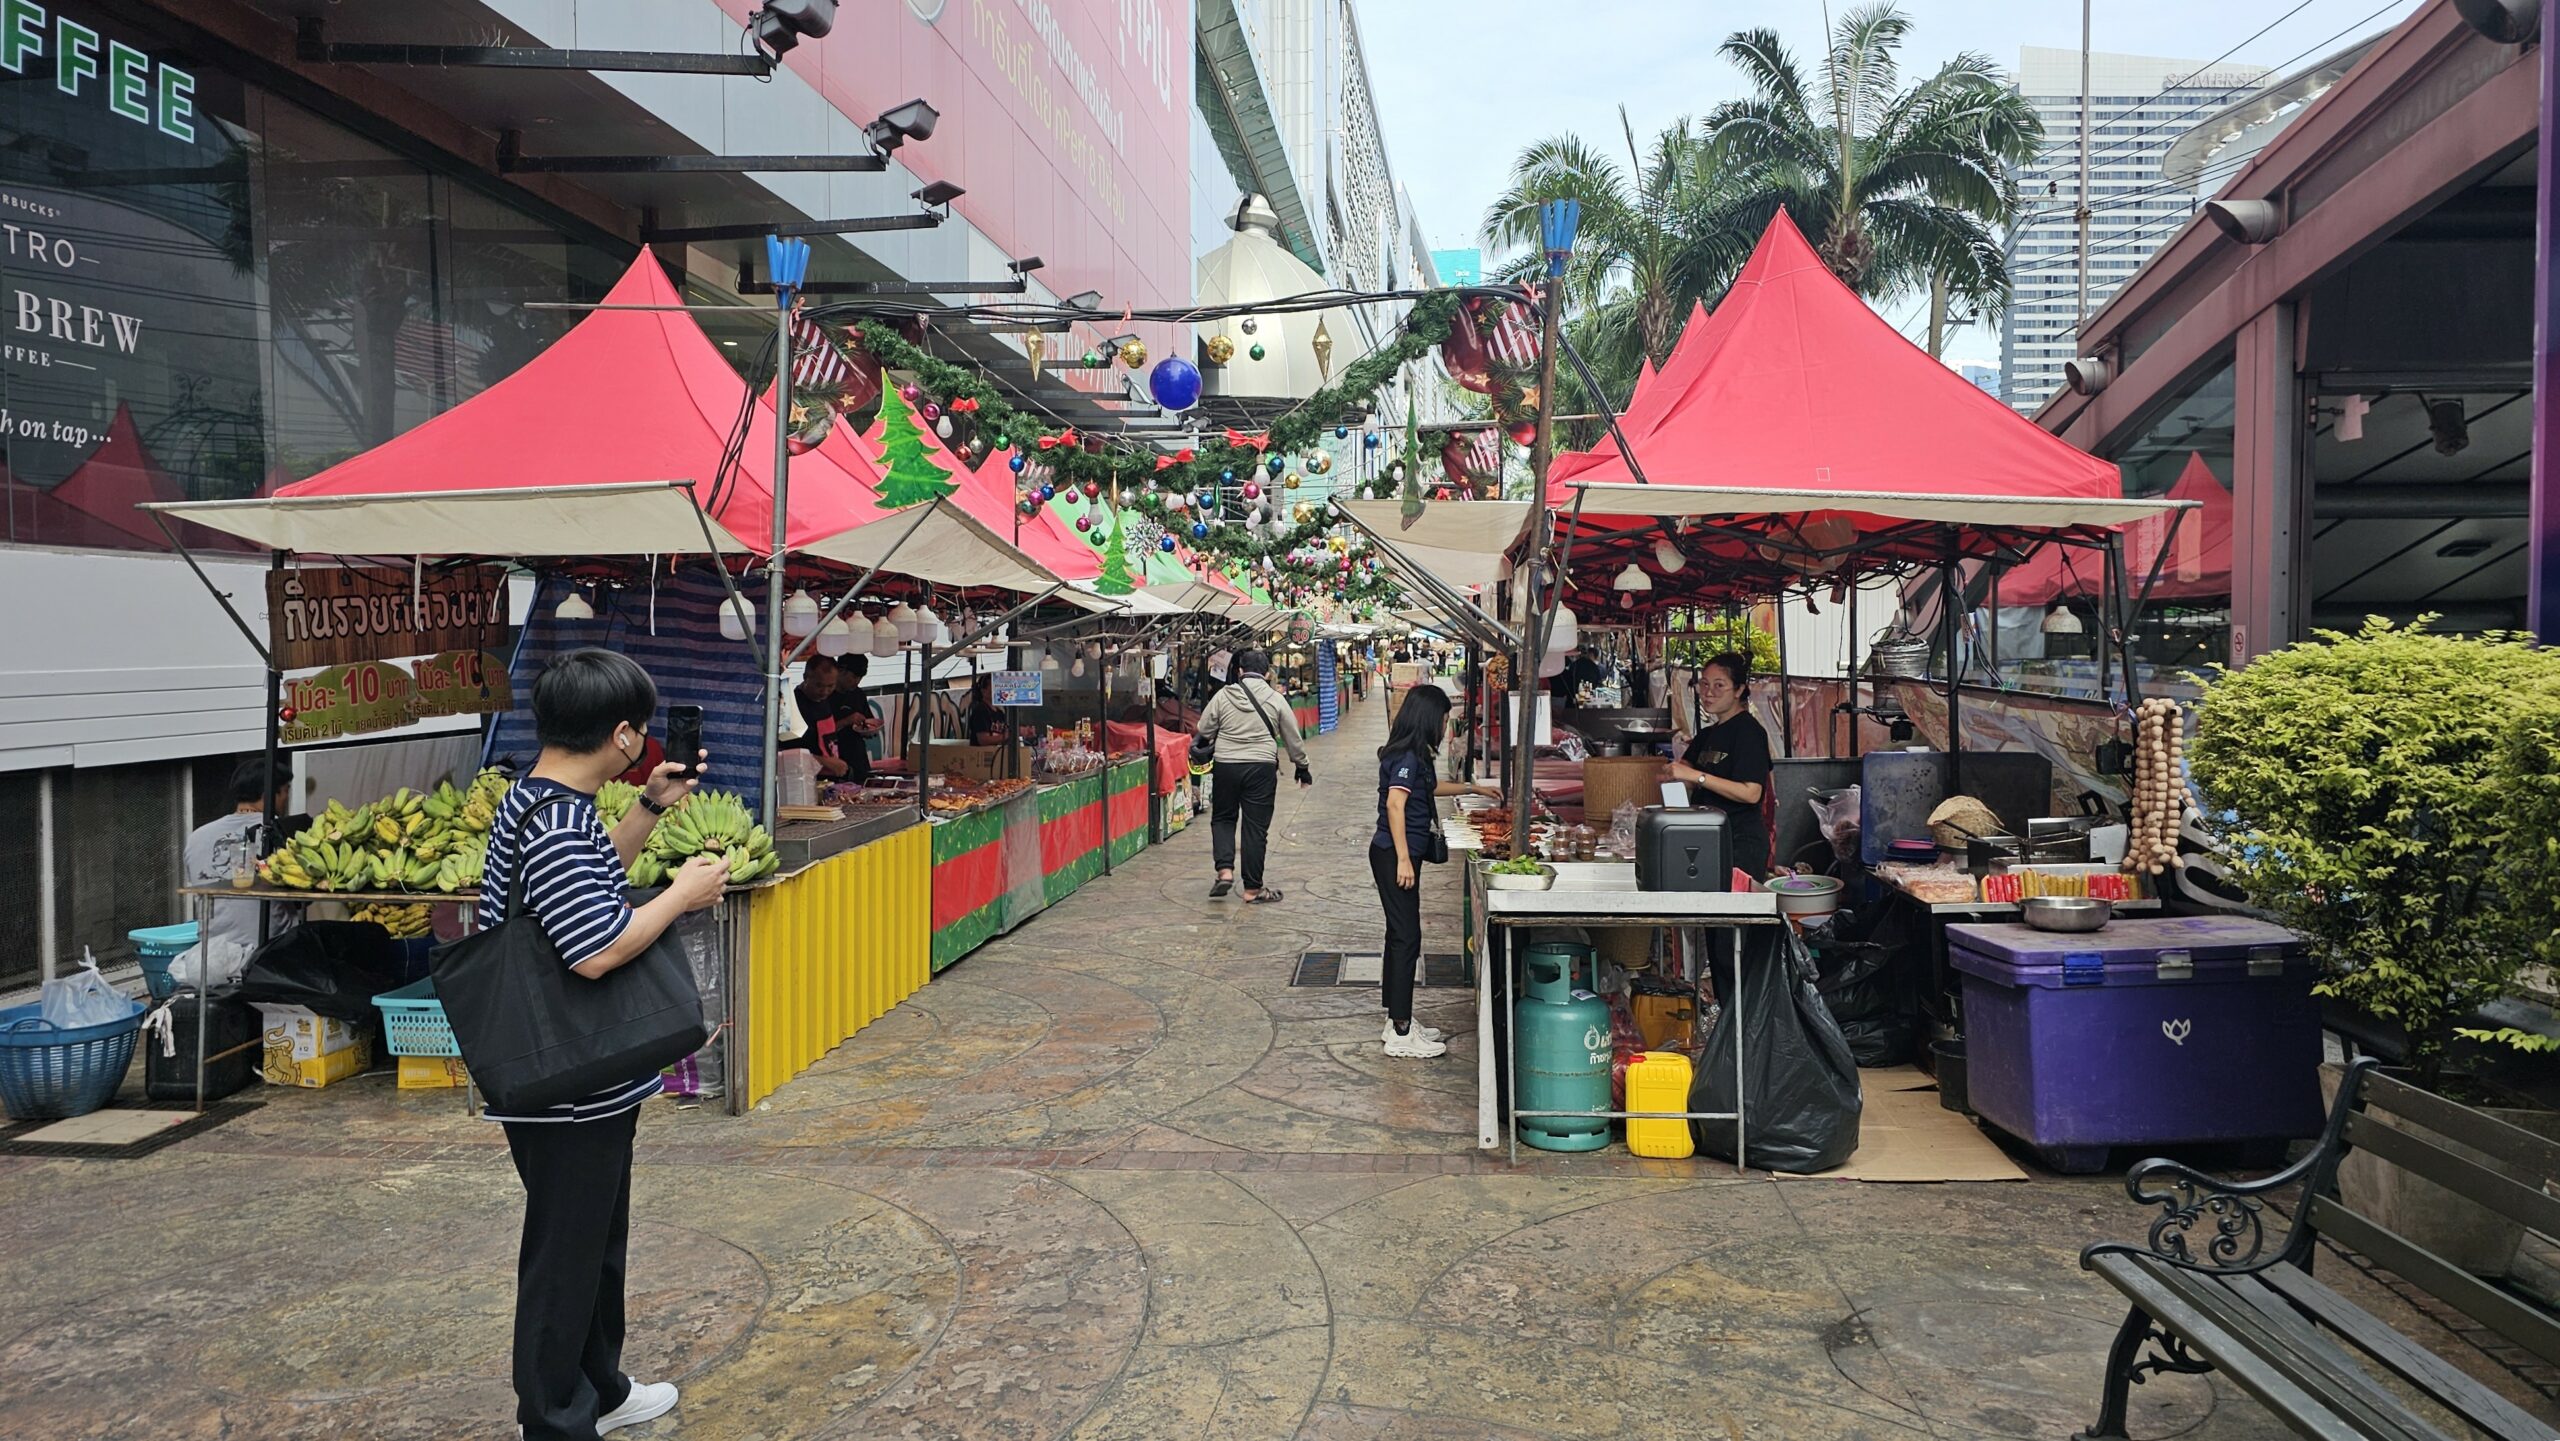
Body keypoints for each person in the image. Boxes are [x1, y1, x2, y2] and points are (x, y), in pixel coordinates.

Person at [477, 648, 728, 1441]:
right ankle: (554, 1418)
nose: (646, 744)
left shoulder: (546, 800)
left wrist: (649, 809)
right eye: (643, 733)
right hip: (563, 1079)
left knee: (594, 1240)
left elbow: (591, 883)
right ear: (621, 734)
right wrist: (682, 894)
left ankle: (602, 1387)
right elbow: (595, 946)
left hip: (582, 1075)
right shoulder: (551, 819)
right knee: (565, 1252)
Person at [1374, 685, 1499, 1058]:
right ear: (1430, 719)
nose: (1446, 727)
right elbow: (1396, 805)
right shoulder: (1408, 757)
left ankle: (1398, 1019)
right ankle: (1400, 1032)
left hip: (1396, 853)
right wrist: (1403, 860)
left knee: (1399, 935)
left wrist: (1471, 787)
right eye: (1444, 720)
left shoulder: (1411, 755)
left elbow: (1426, 790)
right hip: (1393, 855)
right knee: (1406, 937)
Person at [1195, 647, 1308, 903]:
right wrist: (1302, 767)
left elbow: (1204, 727)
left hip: (1226, 764)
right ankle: (1252, 889)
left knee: (1223, 818)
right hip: (1261, 767)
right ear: (1267, 673)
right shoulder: (1275, 698)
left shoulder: (1224, 695)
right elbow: (1293, 737)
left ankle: (1224, 871)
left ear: (1239, 671)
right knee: (1255, 828)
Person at [181, 758, 296, 984]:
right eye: (285, 792)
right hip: (272, 955)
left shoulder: (197, 837)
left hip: (210, 957)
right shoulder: (281, 836)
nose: (286, 799)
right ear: (268, 795)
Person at [1668, 652, 1774, 878]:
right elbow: (1684, 774)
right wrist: (1674, 778)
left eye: (1719, 685)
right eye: (1704, 684)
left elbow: (1751, 793)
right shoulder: (1706, 735)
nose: (1708, 692)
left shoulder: (1749, 733)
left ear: (1738, 690)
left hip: (1740, 844)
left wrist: (1697, 777)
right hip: (1708, 838)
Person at [787, 654, 849, 780]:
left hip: (829, 779)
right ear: (805, 678)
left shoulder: (824, 700)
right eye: (819, 685)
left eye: (830, 686)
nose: (825, 691)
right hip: (802, 781)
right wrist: (823, 761)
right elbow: (783, 753)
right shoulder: (791, 706)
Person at [830, 654, 882, 783]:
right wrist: (847, 721)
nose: (857, 681)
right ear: (841, 670)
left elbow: (868, 721)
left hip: (858, 758)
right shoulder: (825, 695)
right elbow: (820, 732)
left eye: (860, 678)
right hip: (834, 760)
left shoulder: (858, 694)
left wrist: (869, 730)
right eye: (854, 677)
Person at [963, 674, 1007, 746]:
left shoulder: (1000, 713)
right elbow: (983, 740)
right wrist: (1005, 736)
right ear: (983, 691)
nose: (997, 690)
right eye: (993, 687)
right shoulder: (980, 711)